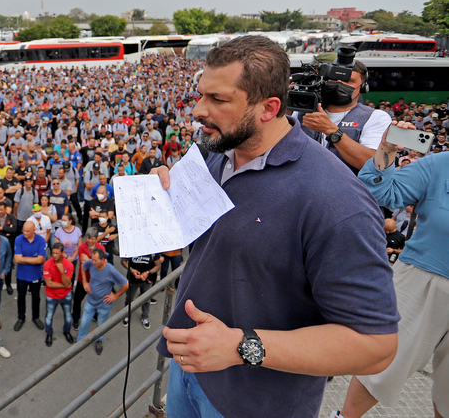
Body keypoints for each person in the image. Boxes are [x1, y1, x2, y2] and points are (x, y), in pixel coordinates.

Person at [154, 36, 398, 417]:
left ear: (269, 108)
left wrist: (239, 347)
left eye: (218, 100)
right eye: (201, 95)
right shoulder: (217, 156)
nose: (198, 110)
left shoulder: (336, 200)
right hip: (189, 373)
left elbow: (376, 346)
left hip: (256, 403)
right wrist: (164, 198)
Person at [339, 123, 449, 418]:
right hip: (421, 280)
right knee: (385, 360)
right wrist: (386, 150)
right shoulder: (440, 163)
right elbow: (379, 192)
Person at [297, 58, 390, 172]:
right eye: (335, 79)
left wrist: (331, 130)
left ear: (362, 88)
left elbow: (371, 164)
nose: (340, 84)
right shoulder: (301, 109)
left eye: (348, 80)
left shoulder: (376, 117)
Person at [76, 248, 127, 355]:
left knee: (101, 325)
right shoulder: (92, 263)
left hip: (104, 304)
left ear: (103, 260)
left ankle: (99, 341)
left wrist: (115, 296)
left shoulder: (111, 270)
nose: (92, 262)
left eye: (95, 260)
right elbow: (83, 266)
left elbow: (125, 284)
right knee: (84, 322)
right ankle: (80, 341)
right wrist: (85, 282)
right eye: (92, 259)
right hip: (91, 301)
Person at [13, 220, 46, 332]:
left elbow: (41, 260)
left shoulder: (41, 241)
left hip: (35, 276)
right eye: (24, 230)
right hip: (21, 276)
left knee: (36, 298)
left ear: (34, 230)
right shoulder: (19, 239)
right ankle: (21, 317)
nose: (24, 233)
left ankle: (35, 317)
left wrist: (24, 259)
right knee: (21, 298)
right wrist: (34, 259)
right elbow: (17, 259)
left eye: (27, 231)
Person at [43, 242, 75, 346]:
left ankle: (66, 331)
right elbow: (49, 283)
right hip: (52, 296)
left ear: (62, 253)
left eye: (57, 253)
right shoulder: (47, 264)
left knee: (68, 316)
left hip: (66, 295)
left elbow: (68, 282)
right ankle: (49, 333)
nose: (54, 255)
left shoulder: (69, 265)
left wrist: (62, 272)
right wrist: (65, 286)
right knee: (49, 316)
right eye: (53, 253)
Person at [121, 252, 162, 330]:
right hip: (132, 280)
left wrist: (147, 273)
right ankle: (127, 316)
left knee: (146, 300)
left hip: (147, 281)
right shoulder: (131, 247)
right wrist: (132, 270)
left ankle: (145, 317)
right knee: (129, 299)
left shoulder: (152, 250)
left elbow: (158, 265)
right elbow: (123, 261)